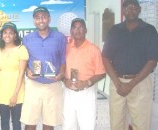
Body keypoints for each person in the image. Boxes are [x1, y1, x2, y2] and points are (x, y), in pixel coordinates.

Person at [102, 0, 158, 130]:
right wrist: (117, 83)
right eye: (127, 7)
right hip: (117, 83)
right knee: (116, 125)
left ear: (139, 10)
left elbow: (153, 60)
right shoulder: (115, 30)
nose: (131, 10)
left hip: (140, 83)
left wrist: (131, 84)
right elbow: (105, 57)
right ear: (124, 10)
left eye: (134, 7)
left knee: (141, 125)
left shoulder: (149, 31)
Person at [20, 7, 66, 130]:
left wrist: (61, 73)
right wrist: (27, 71)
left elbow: (63, 59)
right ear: (34, 20)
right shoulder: (27, 39)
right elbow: (23, 61)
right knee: (30, 122)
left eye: (43, 17)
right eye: (37, 18)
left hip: (53, 85)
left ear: (49, 19)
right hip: (33, 85)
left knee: (49, 122)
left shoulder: (60, 37)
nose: (41, 20)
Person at [62, 18, 106, 130]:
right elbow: (61, 68)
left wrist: (87, 82)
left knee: (87, 126)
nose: (77, 30)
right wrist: (64, 80)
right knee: (68, 126)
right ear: (71, 31)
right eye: (74, 27)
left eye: (80, 27)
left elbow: (101, 73)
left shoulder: (94, 49)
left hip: (86, 91)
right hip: (68, 92)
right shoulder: (66, 48)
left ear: (85, 30)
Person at [0, 22, 28, 130]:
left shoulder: (21, 49)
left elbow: (21, 74)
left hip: (17, 92)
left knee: (16, 122)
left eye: (10, 33)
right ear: (1, 35)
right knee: (4, 122)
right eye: (5, 33)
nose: (7, 35)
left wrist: (15, 94)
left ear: (15, 35)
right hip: (2, 92)